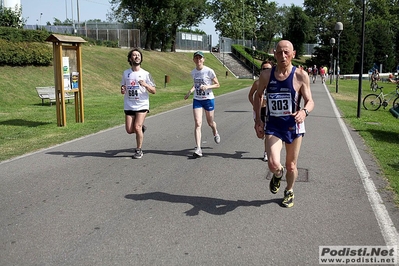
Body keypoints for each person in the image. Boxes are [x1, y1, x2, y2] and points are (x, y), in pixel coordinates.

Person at [253, 40, 315, 208]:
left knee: (291, 165)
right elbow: (257, 96)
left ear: (293, 54)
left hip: (293, 126)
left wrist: (304, 112)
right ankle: (277, 174)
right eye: (279, 52)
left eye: (286, 52)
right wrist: (258, 120)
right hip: (273, 126)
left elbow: (310, 101)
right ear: (274, 54)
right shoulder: (267, 75)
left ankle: (289, 190)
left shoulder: (300, 75)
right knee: (273, 163)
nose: (283, 56)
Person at [120, 48, 156, 159]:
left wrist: (146, 85)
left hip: (142, 104)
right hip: (129, 104)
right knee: (129, 130)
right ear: (130, 58)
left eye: (138, 55)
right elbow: (123, 88)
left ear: (141, 58)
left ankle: (139, 150)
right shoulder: (126, 73)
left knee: (137, 126)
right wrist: (122, 89)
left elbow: (154, 90)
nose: (137, 57)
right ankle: (141, 129)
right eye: (134, 55)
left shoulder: (146, 74)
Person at [184, 51, 221, 158]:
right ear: (194, 60)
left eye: (200, 58)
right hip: (197, 99)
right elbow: (195, 84)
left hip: (208, 99)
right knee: (198, 123)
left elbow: (217, 84)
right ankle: (198, 148)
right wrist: (190, 92)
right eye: (196, 58)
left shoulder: (209, 71)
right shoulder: (193, 72)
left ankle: (215, 132)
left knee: (210, 122)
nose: (198, 60)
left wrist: (207, 87)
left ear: (203, 59)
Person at [248, 60, 273, 162]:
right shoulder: (257, 83)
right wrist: (255, 105)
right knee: (260, 134)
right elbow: (250, 95)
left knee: (268, 133)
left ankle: (266, 152)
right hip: (260, 110)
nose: (266, 71)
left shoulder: (275, 83)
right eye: (264, 69)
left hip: (270, 110)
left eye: (268, 69)